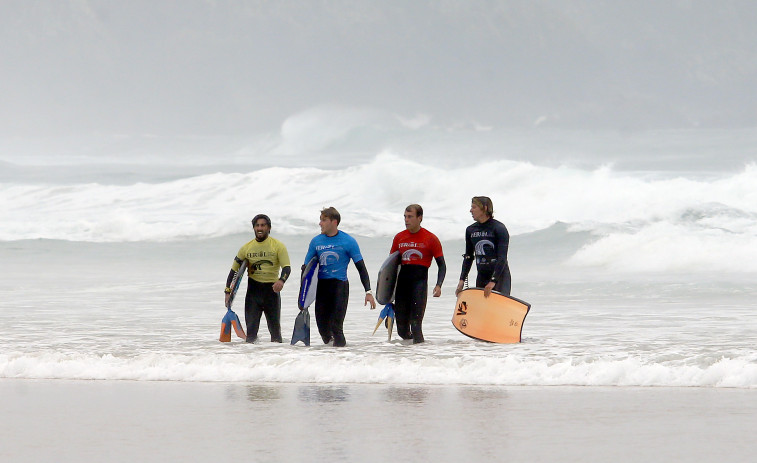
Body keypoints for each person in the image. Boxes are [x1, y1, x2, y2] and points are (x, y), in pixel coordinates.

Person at [303, 207, 376, 347]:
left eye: (323, 220)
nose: (320, 223)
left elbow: (361, 268)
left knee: (336, 328)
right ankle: (333, 357)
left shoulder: (348, 241)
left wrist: (368, 292)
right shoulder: (316, 242)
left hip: (339, 287)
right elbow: (306, 270)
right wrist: (303, 297)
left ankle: (343, 359)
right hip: (321, 288)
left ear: (334, 222)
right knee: (323, 330)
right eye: (320, 220)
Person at [225, 214, 291, 343]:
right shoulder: (246, 248)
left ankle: (277, 360)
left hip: (271, 293)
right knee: (250, 337)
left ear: (269, 228)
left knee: (276, 335)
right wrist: (228, 291)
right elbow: (234, 271)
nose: (260, 228)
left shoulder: (278, 246)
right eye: (257, 225)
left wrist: (281, 281)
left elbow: (287, 268)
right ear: (254, 228)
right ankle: (252, 360)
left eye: (263, 225)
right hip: (253, 294)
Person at [389, 204, 446, 343]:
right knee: (401, 330)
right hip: (402, 286)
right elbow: (390, 266)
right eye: (405, 217)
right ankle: (412, 355)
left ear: (419, 218)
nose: (406, 220)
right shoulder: (399, 237)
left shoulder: (431, 238)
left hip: (419, 284)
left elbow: (442, 265)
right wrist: (388, 294)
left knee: (416, 325)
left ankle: (421, 358)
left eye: (410, 217)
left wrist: (439, 285)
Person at [456, 196, 511, 298]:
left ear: (485, 208)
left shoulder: (499, 228)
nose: (470, 210)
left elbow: (502, 258)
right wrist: (461, 280)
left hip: (500, 278)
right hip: (482, 276)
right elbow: (468, 257)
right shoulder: (471, 230)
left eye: (474, 207)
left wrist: (493, 281)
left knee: (497, 310)